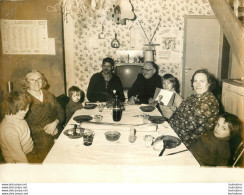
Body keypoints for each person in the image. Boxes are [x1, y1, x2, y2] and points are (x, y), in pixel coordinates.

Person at [168, 69, 219, 147]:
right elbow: (177, 113)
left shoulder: (207, 103)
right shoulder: (194, 96)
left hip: (193, 143)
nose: (198, 84)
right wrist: (168, 125)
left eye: (202, 81)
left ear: (209, 83)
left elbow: (187, 129)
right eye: (195, 81)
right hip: (179, 133)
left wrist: (168, 131)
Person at [24, 70, 65, 163]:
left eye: (39, 79)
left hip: (56, 129)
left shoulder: (48, 94)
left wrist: (55, 124)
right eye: (32, 80)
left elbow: (61, 112)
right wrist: (48, 131)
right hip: (36, 138)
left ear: (43, 81)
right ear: (27, 83)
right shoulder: (24, 98)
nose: (36, 82)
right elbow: (23, 125)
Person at [0, 91, 34, 163]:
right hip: (19, 160)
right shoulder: (9, 130)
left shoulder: (18, 117)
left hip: (31, 152)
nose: (27, 111)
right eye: (23, 109)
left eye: (28, 107)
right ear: (12, 108)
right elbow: (19, 157)